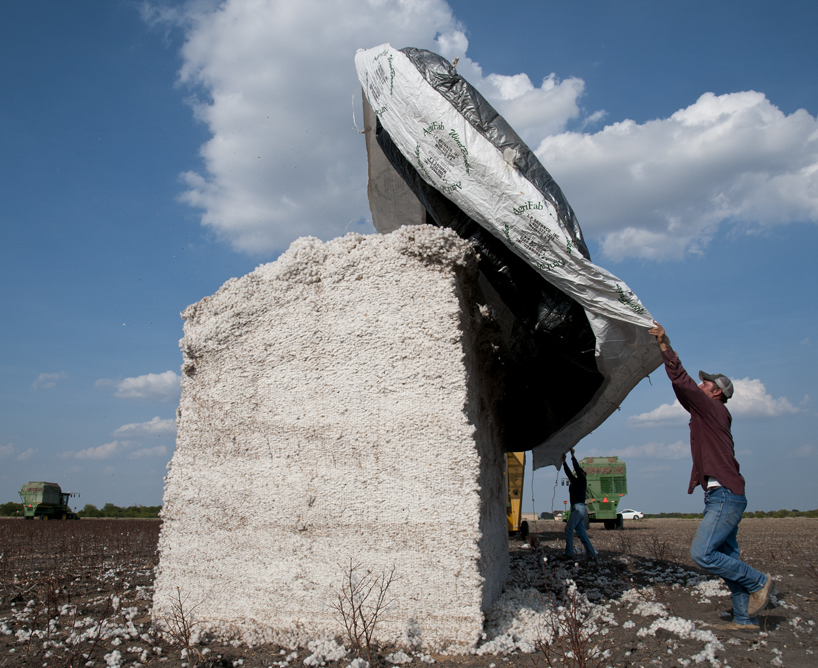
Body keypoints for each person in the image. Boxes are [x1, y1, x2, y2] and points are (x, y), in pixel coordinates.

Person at [648, 322, 772, 631]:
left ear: (717, 392)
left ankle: (759, 582)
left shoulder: (714, 410)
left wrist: (664, 347)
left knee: (702, 554)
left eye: (706, 384)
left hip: (725, 494)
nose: (701, 385)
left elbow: (685, 384)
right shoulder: (707, 413)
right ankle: (744, 619)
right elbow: (685, 392)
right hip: (724, 493)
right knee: (729, 558)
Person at [562, 448, 597, 560]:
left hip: (578, 508)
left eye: (581, 471)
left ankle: (569, 554)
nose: (578, 472)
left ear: (584, 474)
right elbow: (569, 473)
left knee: (568, 529)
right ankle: (592, 554)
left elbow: (576, 469)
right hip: (579, 509)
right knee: (582, 533)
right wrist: (564, 462)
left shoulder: (582, 480)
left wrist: (572, 457)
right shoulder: (576, 481)